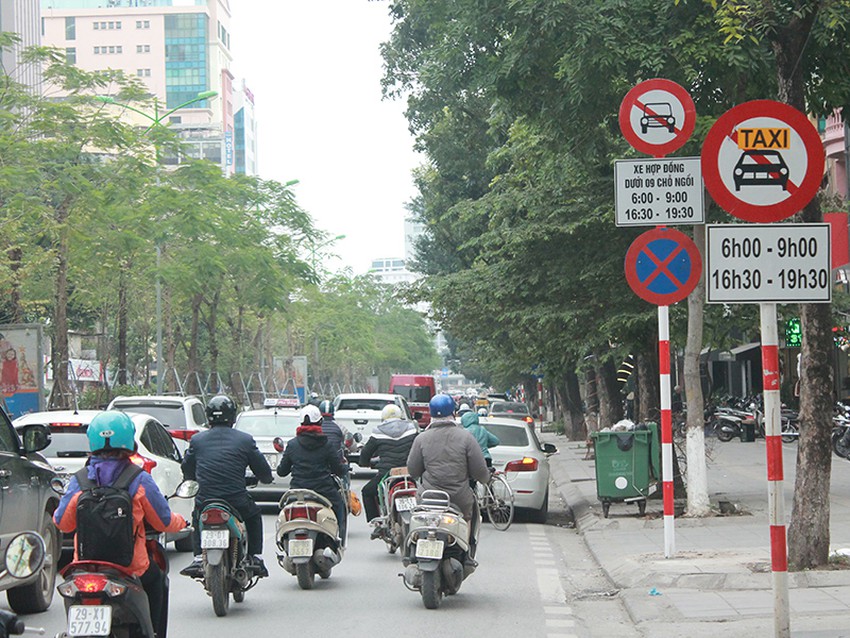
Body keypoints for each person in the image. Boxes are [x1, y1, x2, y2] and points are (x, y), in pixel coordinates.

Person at [54, 411, 187, 638]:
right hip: (130, 568)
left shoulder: (79, 480)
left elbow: (62, 524)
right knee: (156, 581)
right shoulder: (138, 479)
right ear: (129, 440)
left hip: (85, 567)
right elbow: (163, 521)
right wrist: (182, 521)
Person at [180, 395, 273, 578]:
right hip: (236, 501)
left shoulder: (197, 440)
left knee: (197, 516)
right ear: (232, 416)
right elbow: (263, 471)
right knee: (254, 515)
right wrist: (265, 478)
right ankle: (255, 556)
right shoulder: (245, 440)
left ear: (208, 416)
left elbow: (187, 469)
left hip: (206, 500)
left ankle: (198, 557)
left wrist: (192, 480)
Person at [407, 394, 490, 563]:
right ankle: (466, 554)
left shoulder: (421, 438)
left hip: (427, 497)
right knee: (469, 515)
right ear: (454, 412)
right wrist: (485, 478)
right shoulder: (466, 438)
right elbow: (480, 472)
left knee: (416, 518)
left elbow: (413, 470)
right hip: (458, 498)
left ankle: (411, 549)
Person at [277, 404, 348, 543]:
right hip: (324, 491)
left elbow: (282, 471)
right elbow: (338, 469)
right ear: (320, 422)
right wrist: (344, 468)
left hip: (297, 492)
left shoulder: (292, 445)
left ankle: (283, 541)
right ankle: (338, 539)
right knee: (340, 506)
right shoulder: (326, 444)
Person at [359, 404, 418, 535]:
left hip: (387, 474)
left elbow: (365, 454)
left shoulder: (378, 432)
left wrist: (365, 463)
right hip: (410, 473)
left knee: (367, 492)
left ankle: (377, 523)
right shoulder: (411, 428)